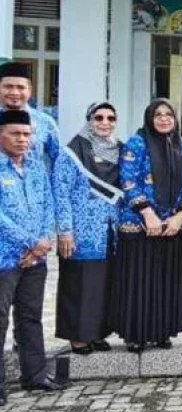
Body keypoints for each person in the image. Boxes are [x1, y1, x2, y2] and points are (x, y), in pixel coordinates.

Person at [108, 99, 182, 352]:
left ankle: (161, 332)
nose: (164, 119)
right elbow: (128, 180)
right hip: (139, 224)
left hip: (171, 226)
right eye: (158, 114)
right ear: (149, 118)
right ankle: (136, 334)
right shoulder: (137, 144)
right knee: (139, 282)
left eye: (169, 114)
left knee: (166, 282)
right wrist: (147, 213)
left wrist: (180, 215)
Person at [0, 109, 63, 405]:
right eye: (15, 134)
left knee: (30, 317)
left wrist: (44, 241)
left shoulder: (37, 167)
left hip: (35, 259)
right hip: (5, 258)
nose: (22, 140)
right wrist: (30, 242)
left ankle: (35, 376)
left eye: (26, 134)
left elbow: (48, 205)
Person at [53, 102, 122, 355]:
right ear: (89, 120)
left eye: (110, 118)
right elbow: (61, 192)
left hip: (109, 231)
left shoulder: (120, 150)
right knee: (78, 284)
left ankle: (97, 332)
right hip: (81, 231)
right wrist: (65, 230)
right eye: (98, 117)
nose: (105, 122)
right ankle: (78, 336)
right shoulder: (72, 152)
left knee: (103, 284)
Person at [0, 62, 60, 165]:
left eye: (20, 87)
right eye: (8, 86)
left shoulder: (45, 122)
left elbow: (59, 160)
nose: (14, 92)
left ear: (29, 90)